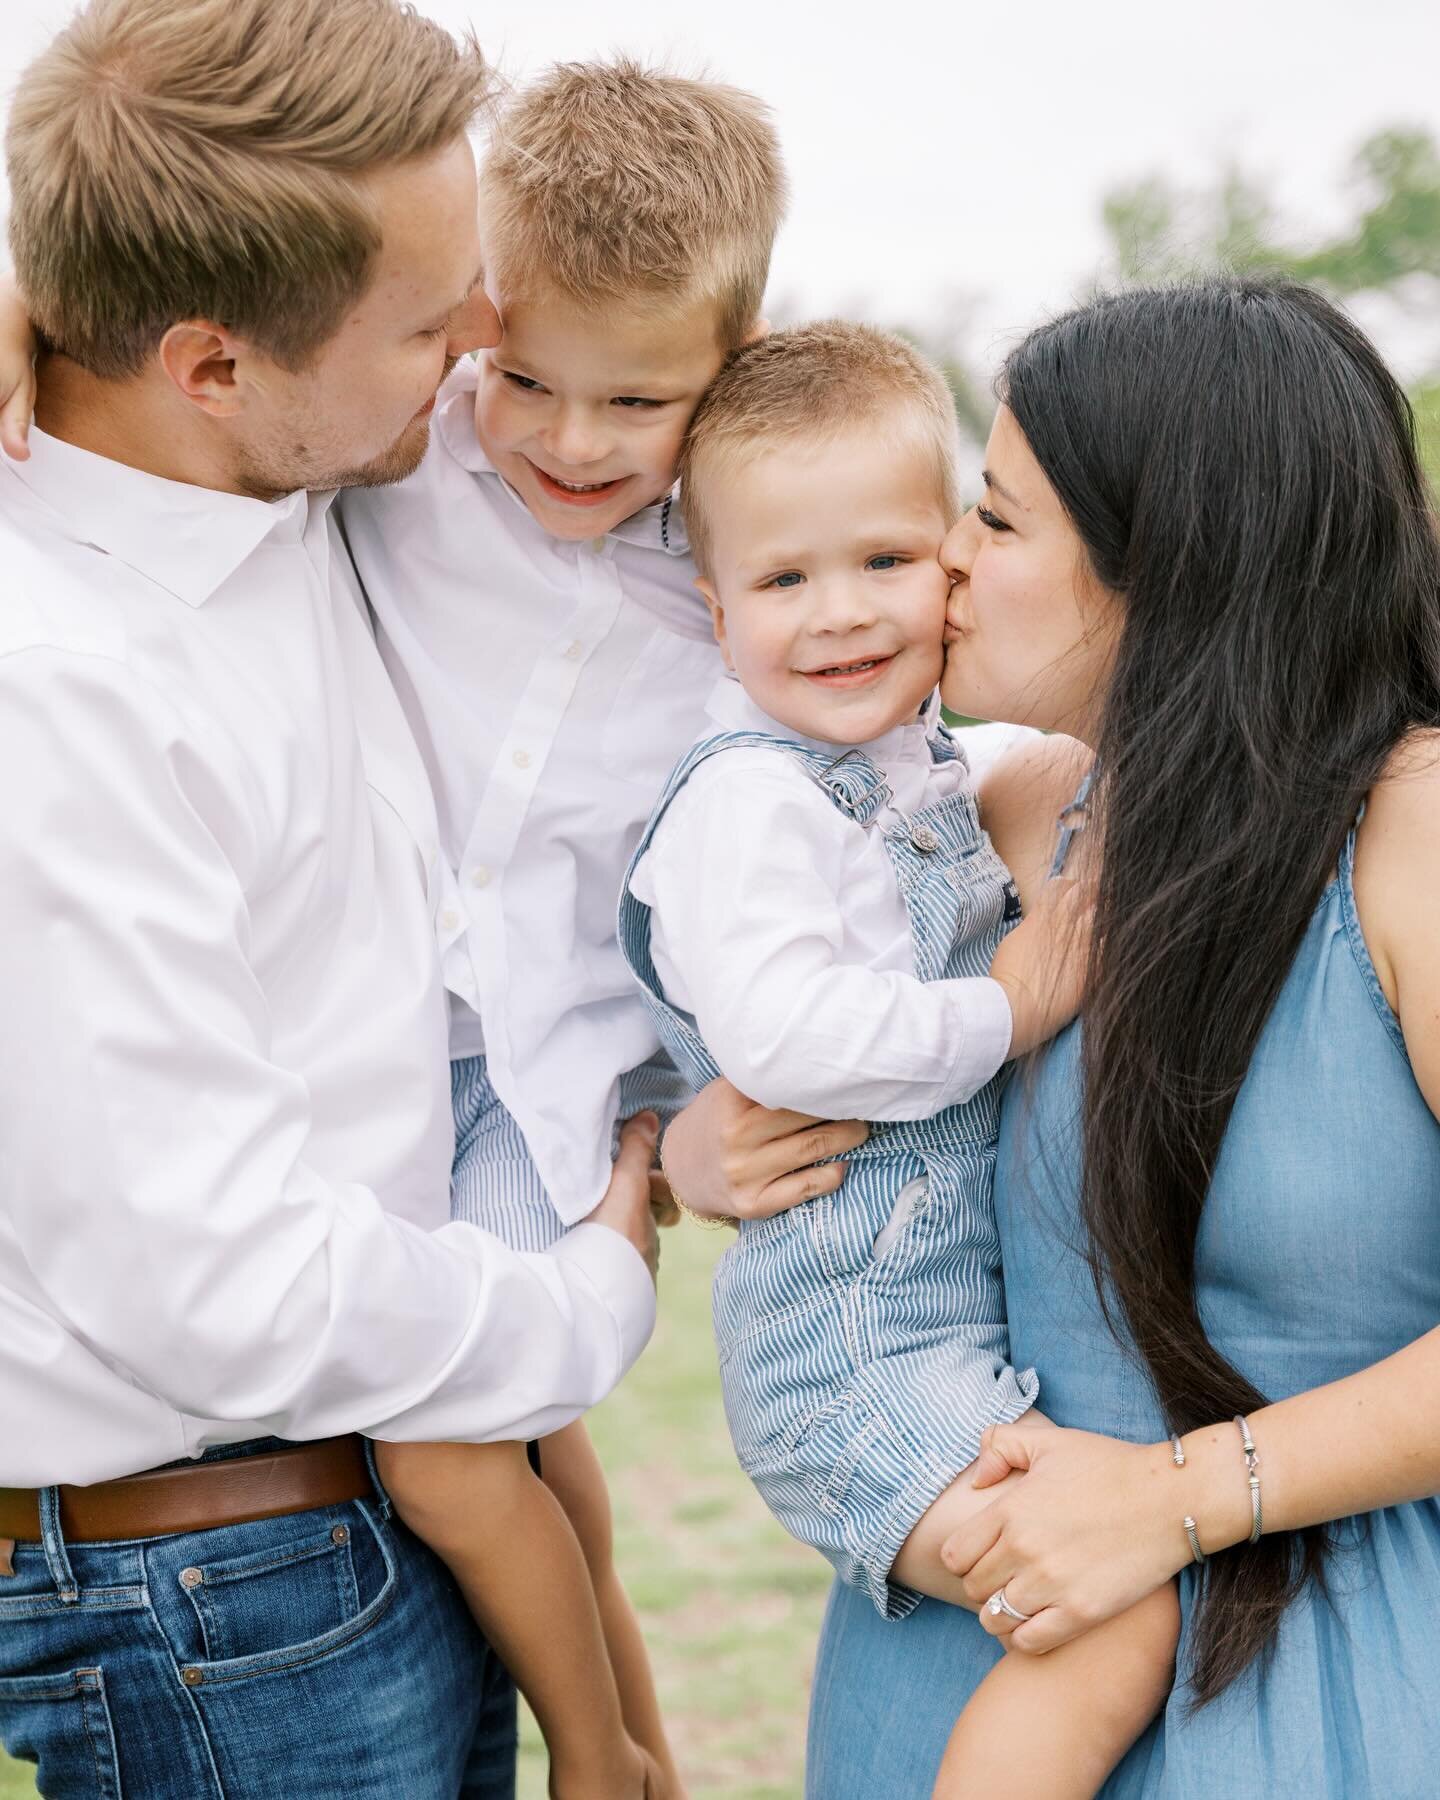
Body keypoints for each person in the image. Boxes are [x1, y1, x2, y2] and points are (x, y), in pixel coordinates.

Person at [662, 277, 1440, 1797]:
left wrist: (1180, 1497)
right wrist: (706, 1142)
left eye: (999, 521)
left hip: (1315, 1674)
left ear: (1169, 564)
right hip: (967, 1654)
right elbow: (800, 1025)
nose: (944, 559)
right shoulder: (1014, 815)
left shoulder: (1410, 836)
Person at [0, 4, 659, 1796]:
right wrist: (593, 1287)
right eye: (434, 316)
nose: (484, 341)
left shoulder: (300, 480)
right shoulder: (56, 693)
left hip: (331, 1539)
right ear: (211, 366)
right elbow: (224, 1291)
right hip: (209, 1596)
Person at [619, 321, 1178, 1796]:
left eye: (882, 561)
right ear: (711, 606)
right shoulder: (748, 804)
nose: (840, 615)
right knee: (1119, 1617)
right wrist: (1004, 1005)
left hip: (934, 1334)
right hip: (853, 1353)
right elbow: (787, 1036)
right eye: (783, 580)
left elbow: (1007, 784)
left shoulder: (919, 766)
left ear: (950, 559)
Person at [334, 61, 785, 1794]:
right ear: (471, 320)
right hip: (359, 1036)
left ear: (728, 368)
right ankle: (633, 1752)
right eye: (526, 376)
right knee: (511, 1435)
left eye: (636, 399)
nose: (570, 442)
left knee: (466, 1444)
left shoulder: (739, 564)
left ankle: (601, 1757)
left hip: (552, 1070)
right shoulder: (403, 454)